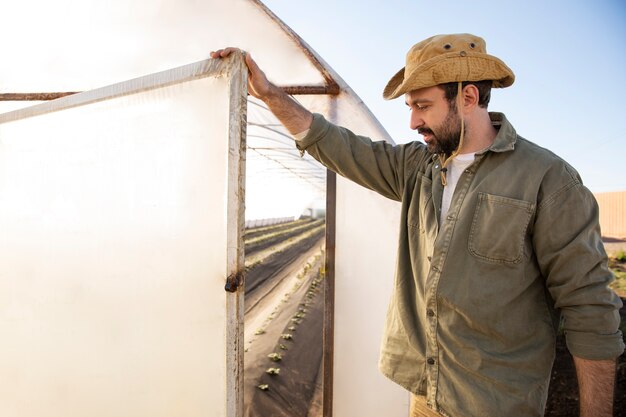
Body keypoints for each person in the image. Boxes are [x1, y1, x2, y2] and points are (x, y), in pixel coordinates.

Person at [211, 33, 624, 417]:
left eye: (422, 106)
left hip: (494, 404)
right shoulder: (417, 168)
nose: (412, 122)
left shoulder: (547, 180)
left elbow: (589, 309)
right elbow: (334, 143)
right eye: (410, 107)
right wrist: (267, 93)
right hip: (425, 395)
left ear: (467, 97)